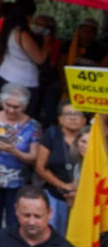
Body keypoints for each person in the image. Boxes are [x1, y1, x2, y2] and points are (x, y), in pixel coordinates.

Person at [0, 81, 43, 235]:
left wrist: (13, 151)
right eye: (7, 105)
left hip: (18, 183)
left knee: (15, 223)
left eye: (16, 107)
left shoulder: (33, 126)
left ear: (25, 106)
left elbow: (33, 158)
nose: (11, 110)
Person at [36, 100, 88, 233]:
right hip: (56, 195)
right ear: (60, 119)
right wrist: (64, 186)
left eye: (77, 114)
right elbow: (41, 167)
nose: (72, 117)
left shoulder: (91, 137)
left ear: (84, 120)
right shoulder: (52, 135)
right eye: (68, 114)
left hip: (84, 197)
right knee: (53, 233)